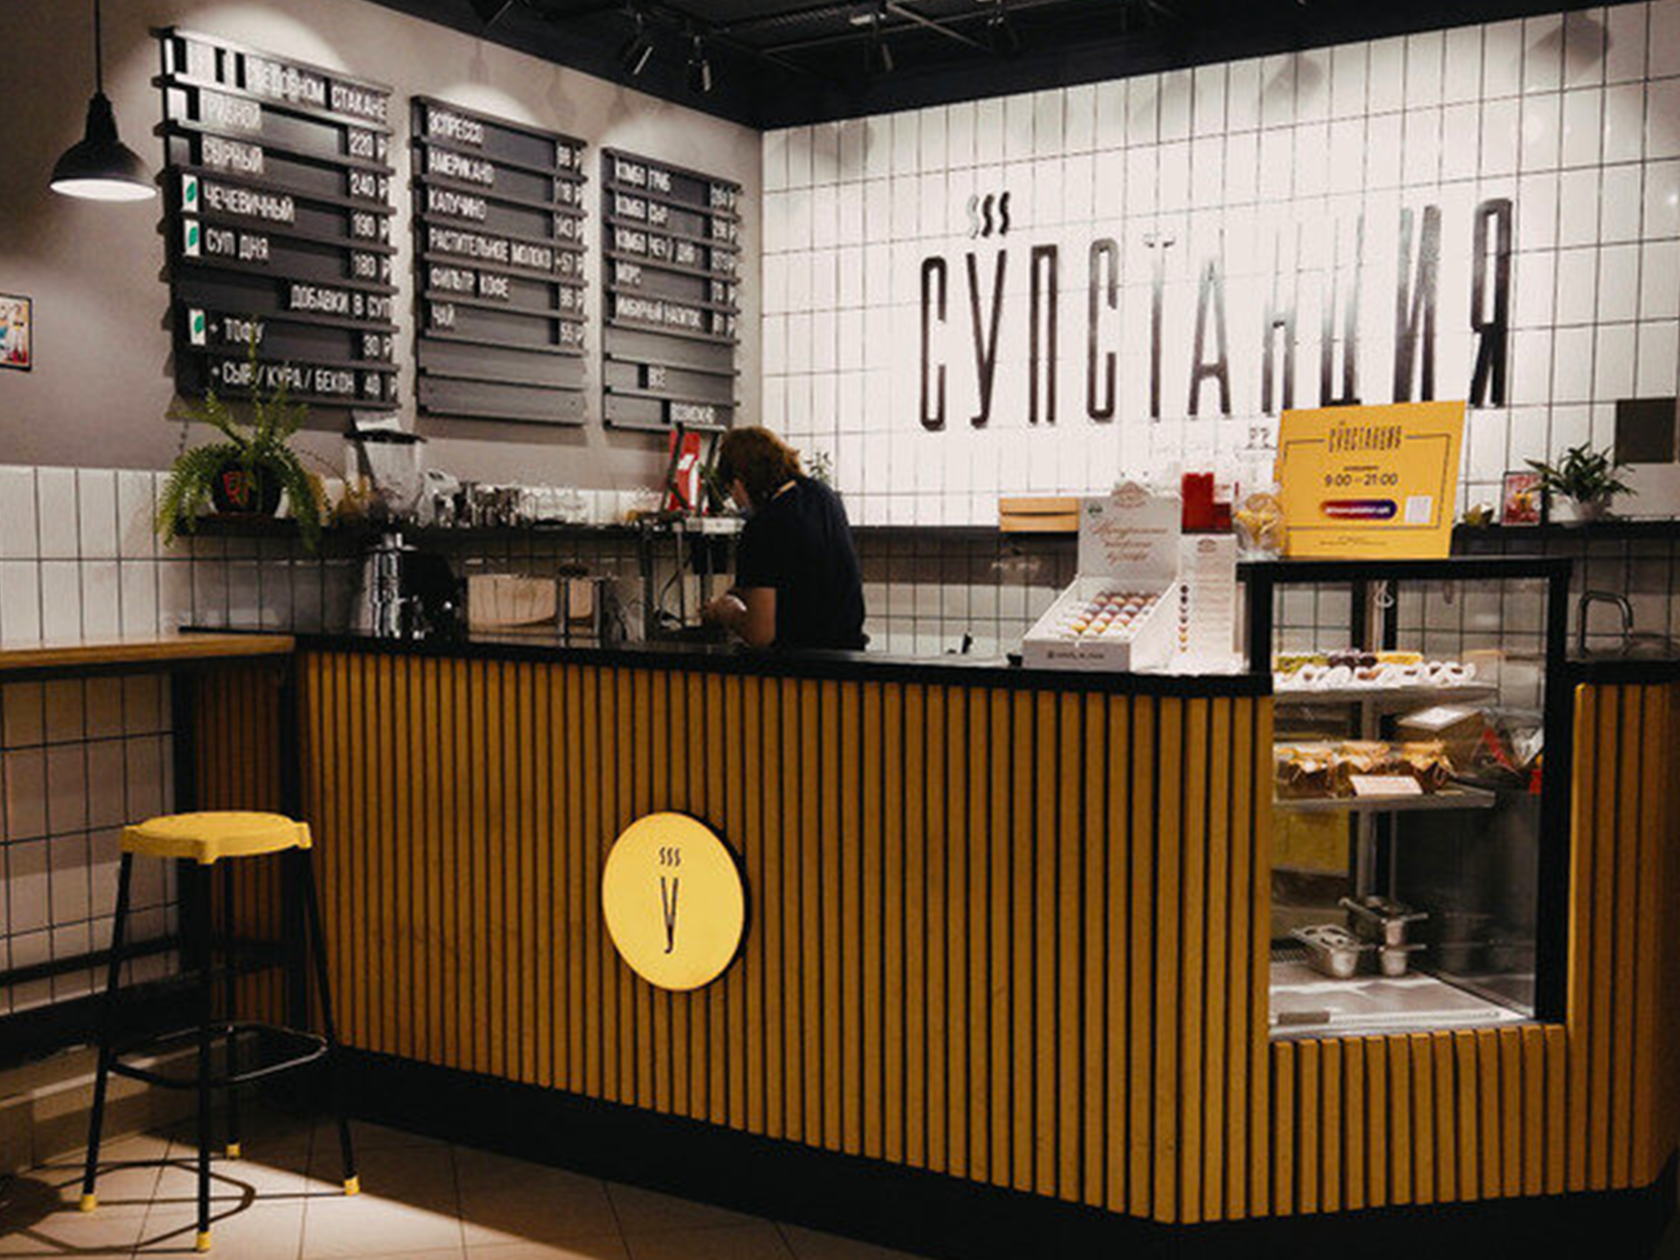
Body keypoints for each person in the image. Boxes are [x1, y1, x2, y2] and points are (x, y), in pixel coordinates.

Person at [701, 427, 867, 651]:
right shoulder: (824, 496)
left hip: (797, 663)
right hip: (849, 655)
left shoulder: (762, 526)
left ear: (739, 482)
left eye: (731, 492)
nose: (736, 502)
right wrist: (735, 592)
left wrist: (727, 613)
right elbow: (796, 576)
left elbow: (760, 634)